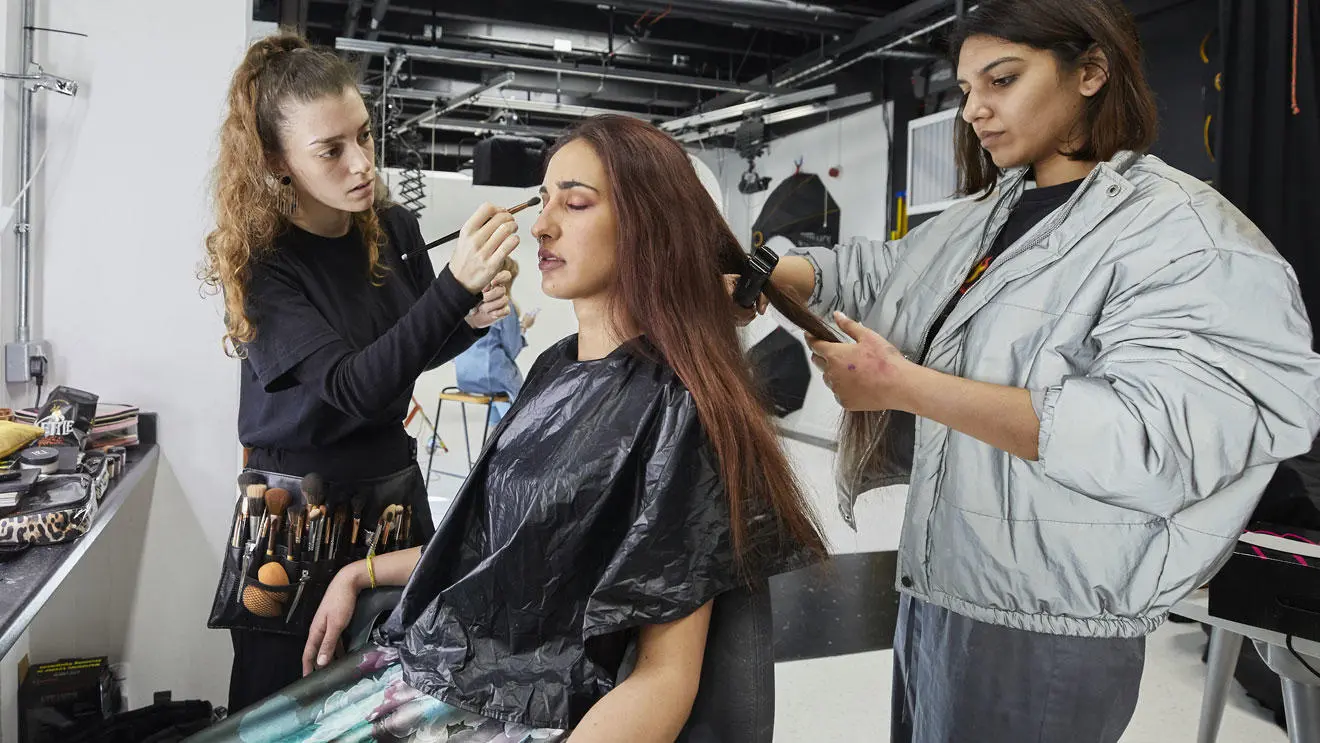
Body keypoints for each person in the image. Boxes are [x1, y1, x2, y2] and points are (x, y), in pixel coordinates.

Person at [742, 1, 1320, 741]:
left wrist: (903, 386)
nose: (976, 110)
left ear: (1091, 70)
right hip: (941, 588)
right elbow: (879, 272)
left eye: (1002, 80)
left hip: (1050, 620)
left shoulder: (1185, 237)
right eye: (964, 90)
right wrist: (764, 271)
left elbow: (1144, 440)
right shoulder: (990, 214)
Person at [187, 116, 832, 742]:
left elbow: (664, 679)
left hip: (506, 709)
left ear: (647, 229)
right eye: (544, 199)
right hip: (433, 671)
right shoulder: (554, 366)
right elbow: (494, 543)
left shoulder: (676, 409)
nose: (541, 226)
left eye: (573, 204)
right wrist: (362, 571)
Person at [199, 34, 518, 715]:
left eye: (364, 136)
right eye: (331, 150)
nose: (362, 164)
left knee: (399, 702)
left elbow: (408, 349)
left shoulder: (392, 228)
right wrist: (453, 290)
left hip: (393, 498)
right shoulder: (267, 265)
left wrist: (472, 314)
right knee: (279, 709)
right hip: (294, 516)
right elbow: (351, 385)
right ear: (277, 161)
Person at [453, 258, 535, 425]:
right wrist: (523, 327)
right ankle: (511, 436)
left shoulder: (469, 303)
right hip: (491, 377)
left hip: (464, 377)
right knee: (518, 391)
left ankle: (495, 436)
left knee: (498, 398)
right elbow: (512, 349)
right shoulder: (505, 306)